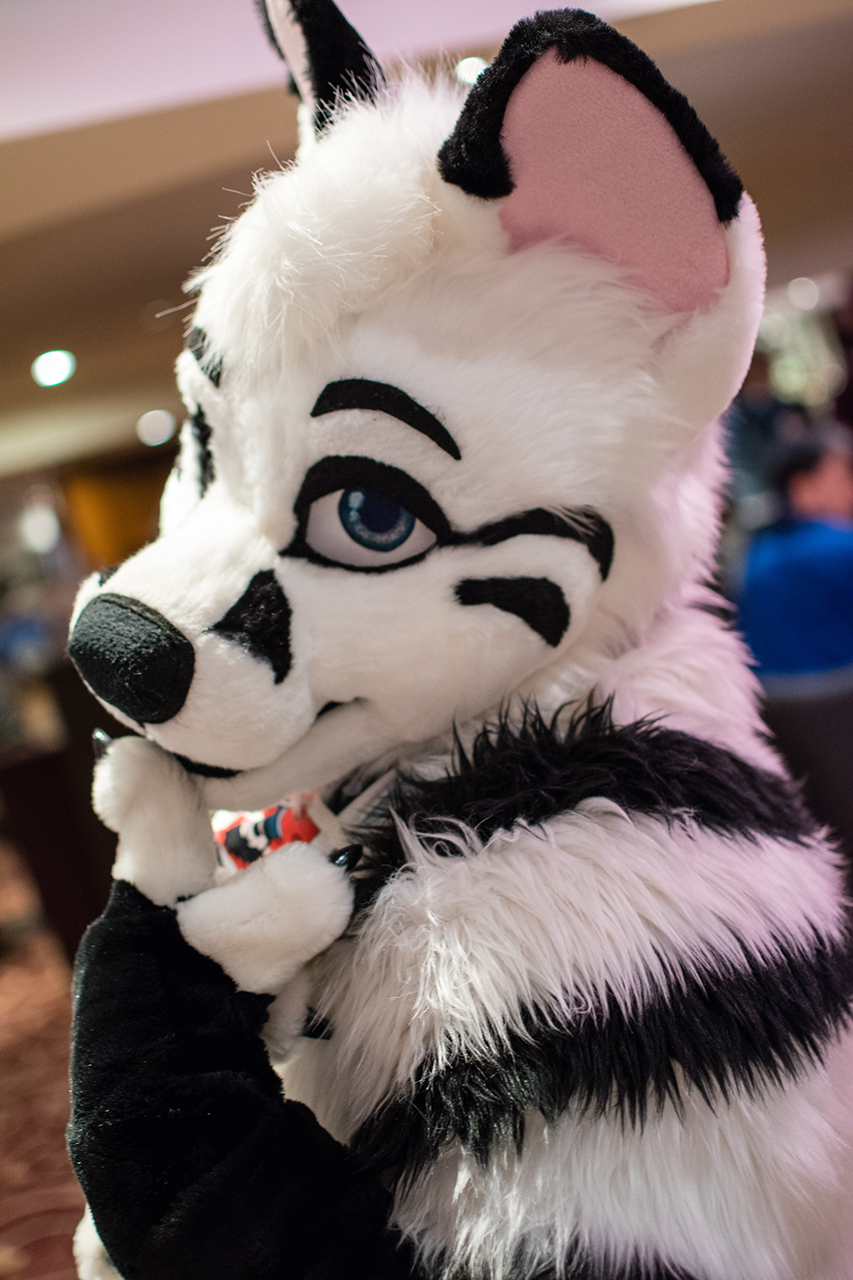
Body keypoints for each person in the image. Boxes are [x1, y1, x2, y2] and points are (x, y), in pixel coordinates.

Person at [738, 435, 853, 881]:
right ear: (802, 488)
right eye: (844, 477)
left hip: (784, 741)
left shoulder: (755, 555)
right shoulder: (840, 547)